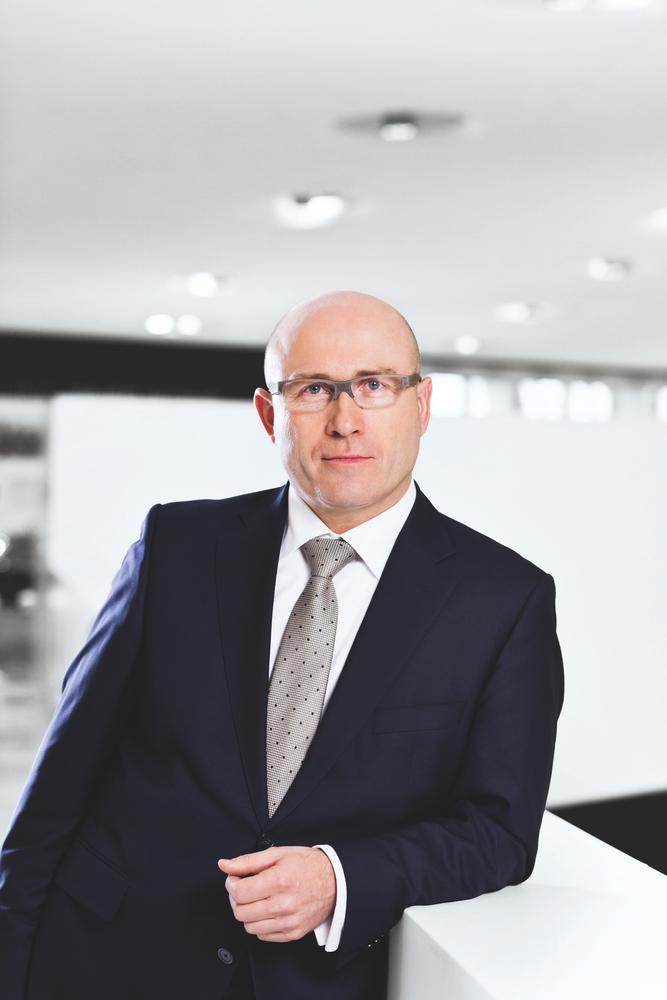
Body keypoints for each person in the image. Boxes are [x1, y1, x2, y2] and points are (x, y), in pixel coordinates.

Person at [0, 290, 564, 1000]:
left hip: (310, 981)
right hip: (105, 959)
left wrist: (339, 875)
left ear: (421, 406)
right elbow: (63, 780)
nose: (345, 419)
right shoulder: (177, 546)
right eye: (313, 389)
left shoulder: (503, 599)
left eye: (374, 385)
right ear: (270, 414)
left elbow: (498, 832)